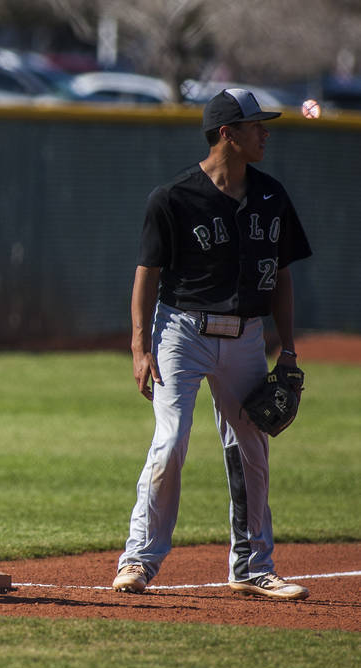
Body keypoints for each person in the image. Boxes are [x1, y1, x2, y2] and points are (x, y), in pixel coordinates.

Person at [112, 89, 313, 600]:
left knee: (251, 447)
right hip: (180, 331)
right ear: (228, 134)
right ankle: (138, 559)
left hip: (246, 335)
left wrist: (286, 348)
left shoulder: (272, 195)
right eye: (255, 126)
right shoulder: (173, 198)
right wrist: (140, 347)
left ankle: (251, 564)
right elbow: (147, 275)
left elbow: (282, 276)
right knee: (171, 439)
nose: (265, 133)